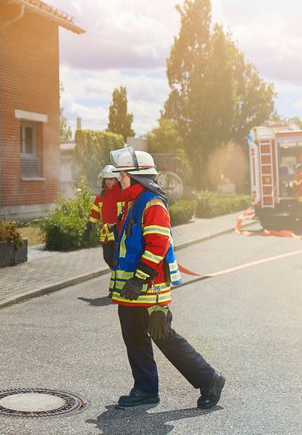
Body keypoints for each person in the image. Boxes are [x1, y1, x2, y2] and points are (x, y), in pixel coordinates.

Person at [108, 147, 225, 409]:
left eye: (123, 176)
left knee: (165, 337)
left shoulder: (152, 203)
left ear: (137, 176)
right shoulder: (132, 203)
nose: (119, 180)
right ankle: (146, 389)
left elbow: (157, 245)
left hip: (149, 291)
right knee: (134, 339)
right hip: (130, 291)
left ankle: (210, 379)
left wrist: (138, 279)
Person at [85, 165, 124, 269]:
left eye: (111, 178)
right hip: (106, 236)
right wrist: (89, 227)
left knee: (120, 260)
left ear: (116, 179)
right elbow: (95, 213)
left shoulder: (123, 194)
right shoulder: (101, 196)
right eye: (106, 179)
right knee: (108, 258)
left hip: (120, 234)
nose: (108, 181)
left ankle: (121, 281)